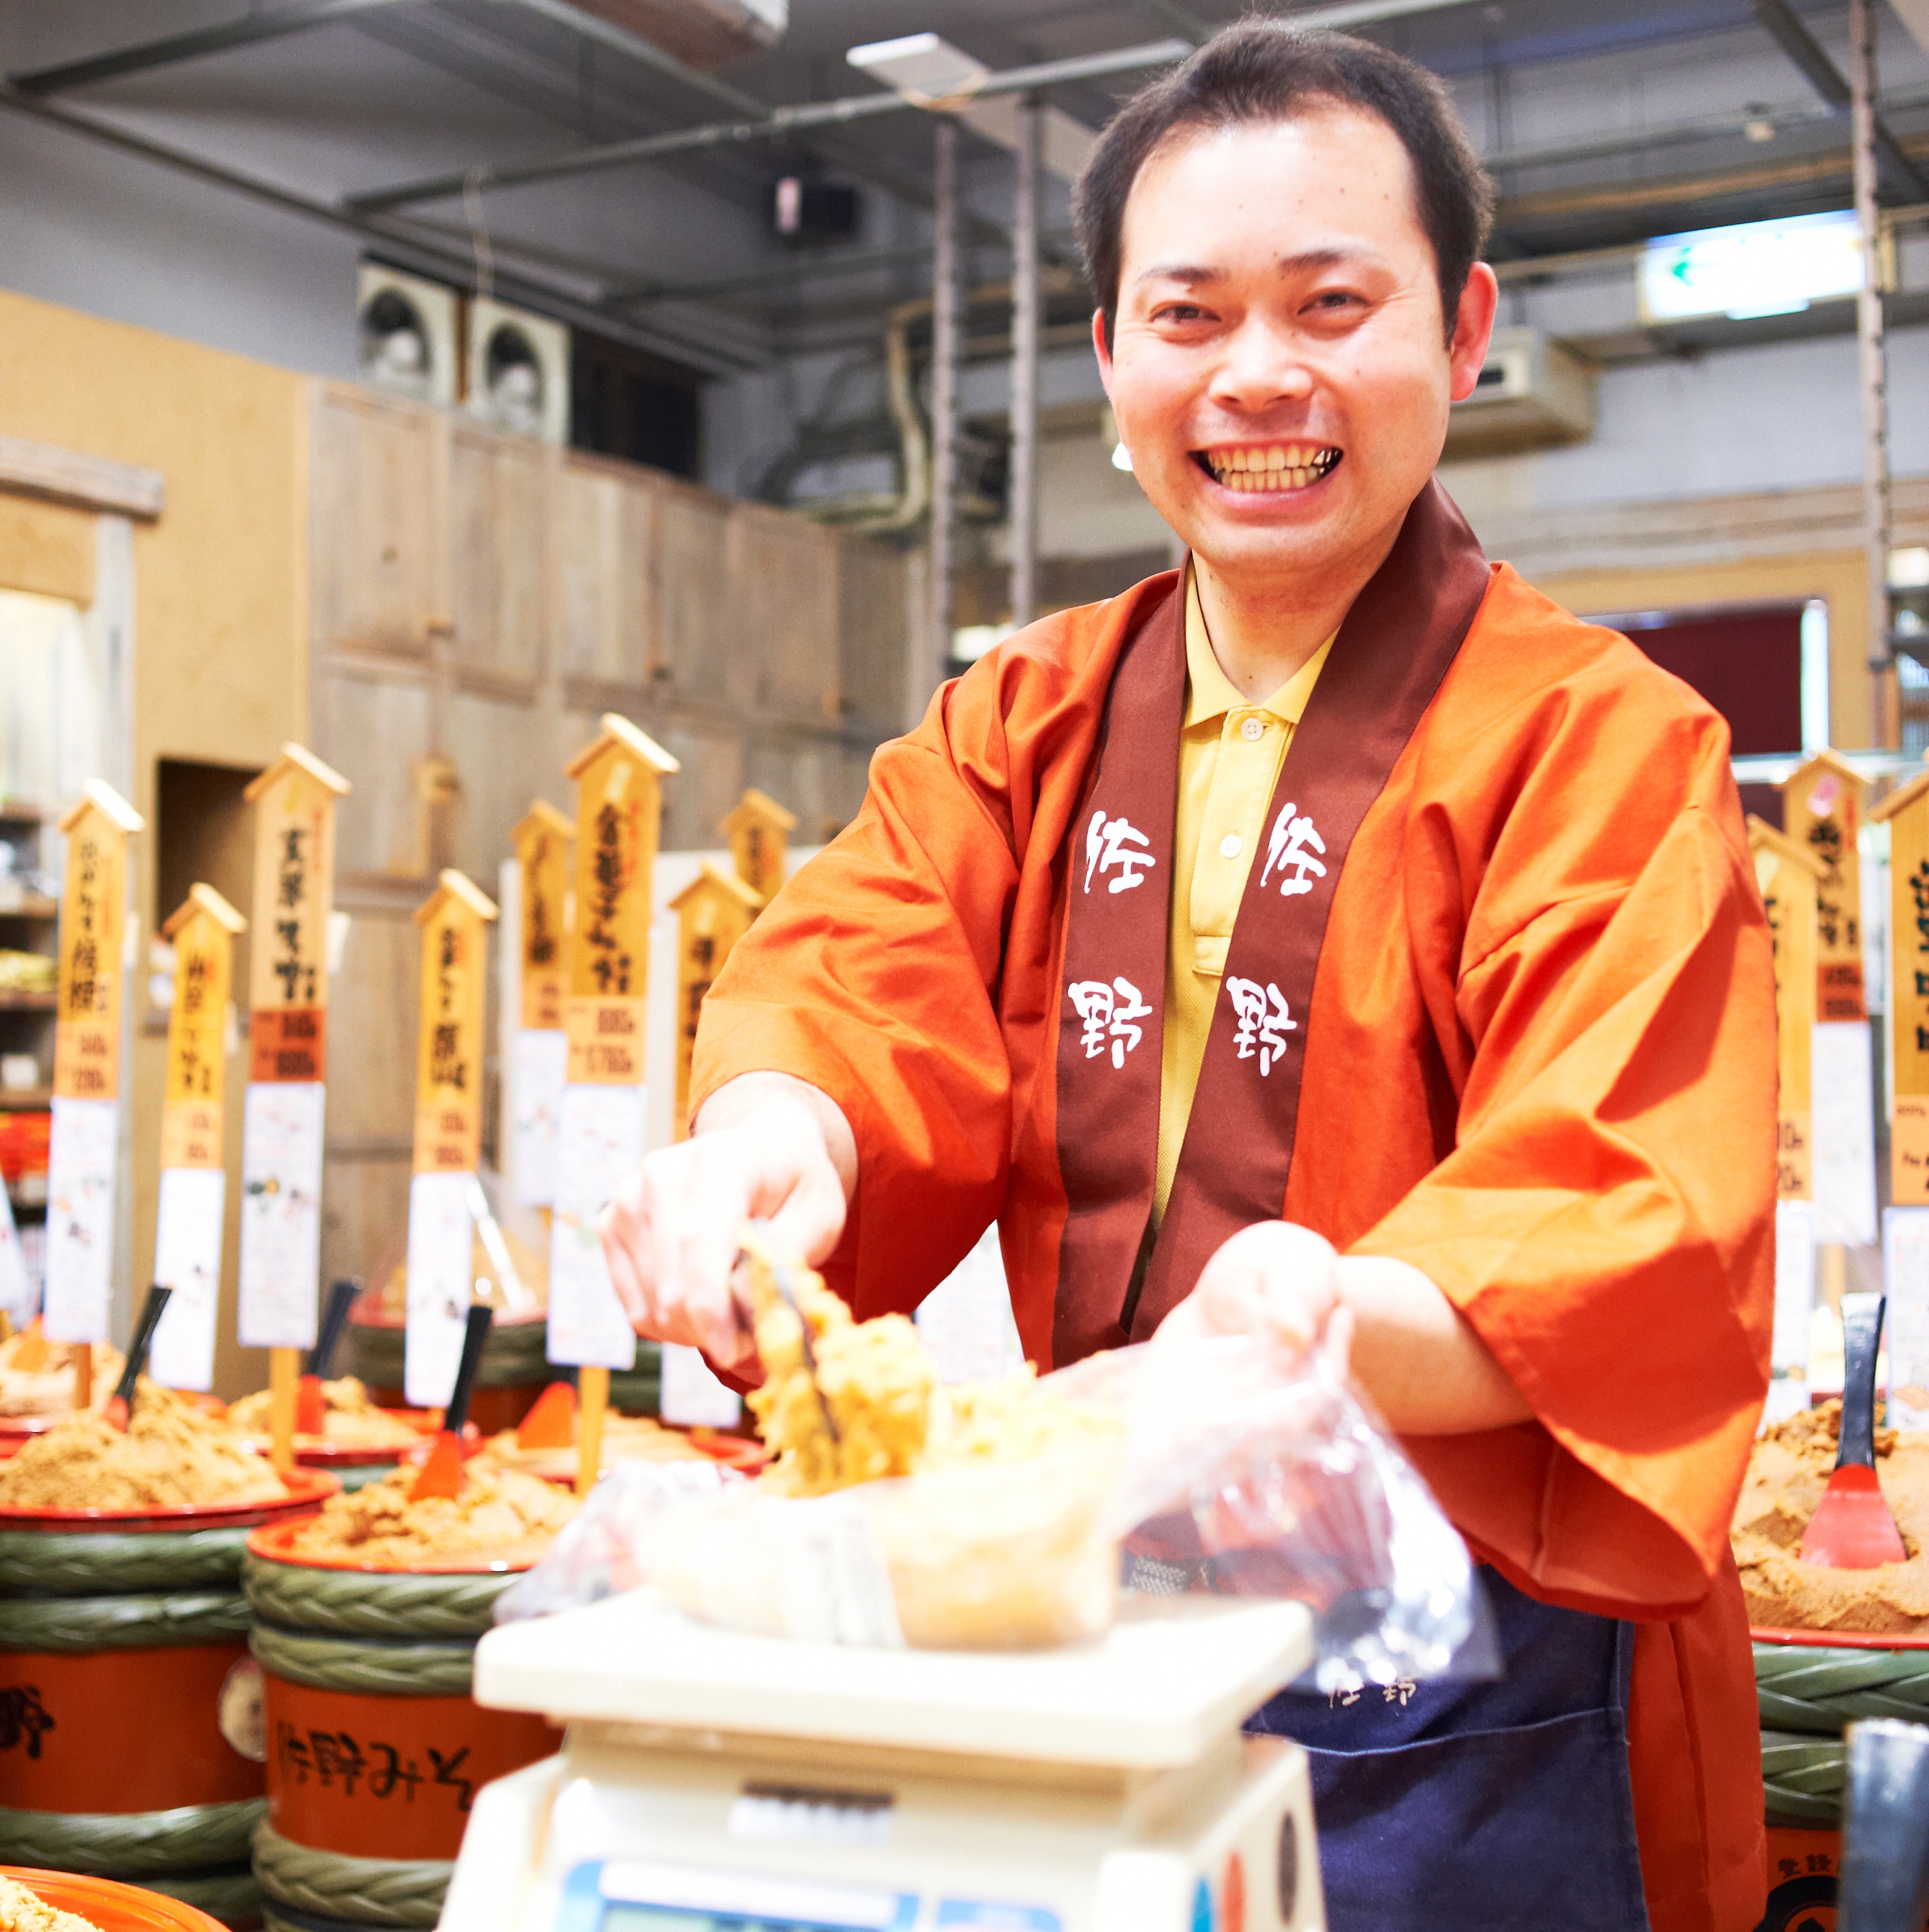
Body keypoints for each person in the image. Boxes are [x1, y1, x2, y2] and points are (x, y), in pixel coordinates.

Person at [600, 22, 1775, 1932]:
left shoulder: (1605, 745)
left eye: (1332, 304)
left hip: (1483, 1674)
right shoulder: (1027, 716)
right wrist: (769, 1136)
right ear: (1110, 357)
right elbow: (860, 966)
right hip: (1091, 1622)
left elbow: (1626, 1204)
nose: (1258, 378)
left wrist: (1323, 1318)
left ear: (1463, 332)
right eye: (1190, 314)